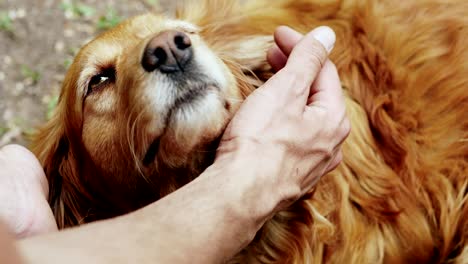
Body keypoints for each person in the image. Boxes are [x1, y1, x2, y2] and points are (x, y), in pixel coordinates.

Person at [0, 25, 349, 263]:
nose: (167, 50)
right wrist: (248, 186)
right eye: (101, 80)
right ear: (74, 181)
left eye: (184, 37)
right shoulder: (58, 200)